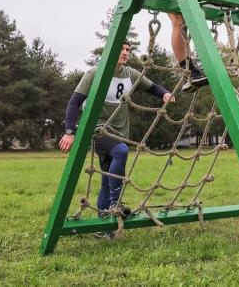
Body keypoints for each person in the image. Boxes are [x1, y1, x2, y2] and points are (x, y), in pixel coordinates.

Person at [58, 42, 174, 239]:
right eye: (121, 49)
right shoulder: (94, 73)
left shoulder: (130, 74)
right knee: (121, 151)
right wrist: (69, 131)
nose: (125, 53)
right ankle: (116, 203)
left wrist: (165, 93)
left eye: (128, 50)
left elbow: (152, 87)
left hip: (120, 132)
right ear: (110, 51)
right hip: (98, 128)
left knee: (106, 180)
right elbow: (74, 102)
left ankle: (102, 228)